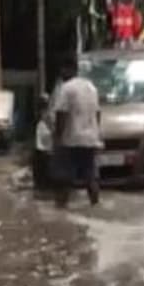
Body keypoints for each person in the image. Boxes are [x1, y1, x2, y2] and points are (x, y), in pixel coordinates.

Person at [51, 58, 101, 207]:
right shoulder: (91, 87)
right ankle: (95, 205)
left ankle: (60, 210)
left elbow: (61, 114)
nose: (61, 74)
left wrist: (58, 138)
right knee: (90, 176)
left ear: (69, 69)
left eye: (62, 70)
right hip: (90, 139)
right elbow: (98, 113)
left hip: (71, 139)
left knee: (64, 177)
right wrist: (96, 133)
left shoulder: (66, 88)